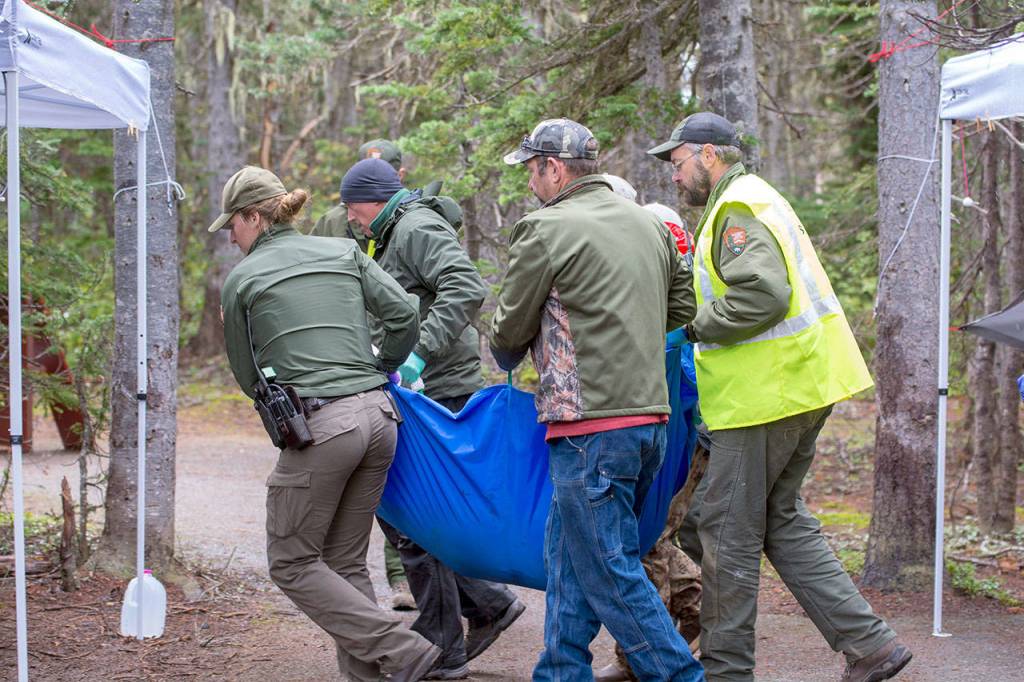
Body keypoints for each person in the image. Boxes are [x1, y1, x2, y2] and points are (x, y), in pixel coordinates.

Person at [648, 112, 912, 682]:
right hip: (800, 385)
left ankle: (726, 672)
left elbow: (763, 295)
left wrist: (691, 327)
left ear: (709, 155)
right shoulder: (751, 199)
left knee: (725, 532)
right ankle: (869, 645)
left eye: (678, 162)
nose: (675, 175)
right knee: (779, 520)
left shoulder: (736, 208)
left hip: (767, 396)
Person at [491, 118, 704, 682]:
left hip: (589, 426)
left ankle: (683, 676)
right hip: (650, 421)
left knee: (610, 571)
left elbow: (509, 331)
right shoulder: (649, 223)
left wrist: (515, 346)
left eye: (532, 171)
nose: (530, 183)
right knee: (570, 556)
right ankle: (560, 671)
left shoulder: (545, 227)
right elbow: (681, 308)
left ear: (553, 169)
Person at [213, 165, 440, 682]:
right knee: (344, 563)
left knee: (291, 561)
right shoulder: (343, 252)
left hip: (322, 426)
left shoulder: (243, 279)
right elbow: (405, 314)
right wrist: (386, 367)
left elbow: (249, 377)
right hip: (382, 418)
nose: (230, 234)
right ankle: (373, 675)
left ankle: (402, 648)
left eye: (233, 223)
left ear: (255, 217)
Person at [340, 157, 526, 680]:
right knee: (409, 513)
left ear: (375, 199)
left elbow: (465, 285)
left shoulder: (416, 227)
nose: (353, 220)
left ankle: (445, 644)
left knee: (412, 514)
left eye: (355, 210)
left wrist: (417, 355)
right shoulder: (388, 232)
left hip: (436, 389)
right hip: (417, 389)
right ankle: (485, 606)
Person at [596, 202, 704, 682]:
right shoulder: (674, 248)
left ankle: (638, 659)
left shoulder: (659, 255)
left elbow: (674, 354)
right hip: (683, 423)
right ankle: (700, 609)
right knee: (658, 533)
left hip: (675, 424)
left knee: (647, 538)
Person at [312, 138, 419, 612]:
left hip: (397, 365)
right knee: (374, 484)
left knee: (399, 484)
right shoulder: (335, 222)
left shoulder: (412, 223)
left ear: (398, 175)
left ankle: (409, 581)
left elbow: (440, 291)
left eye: (387, 168)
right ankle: (475, 600)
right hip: (352, 358)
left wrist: (409, 356)